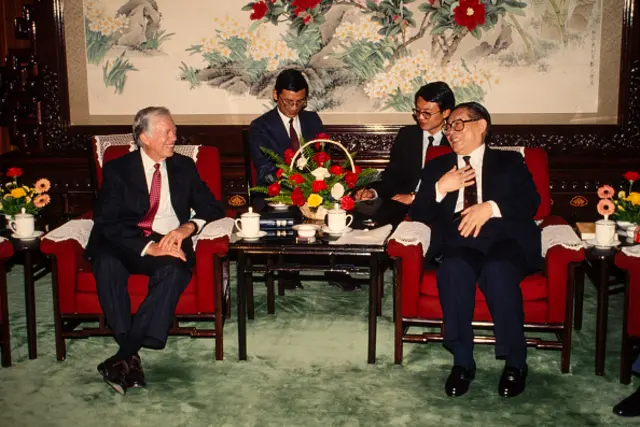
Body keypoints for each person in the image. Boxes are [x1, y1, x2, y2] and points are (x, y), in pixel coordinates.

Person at [85, 106, 225, 395]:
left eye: (174, 130)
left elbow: (212, 206)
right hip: (122, 240)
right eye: (167, 132)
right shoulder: (118, 169)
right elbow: (107, 222)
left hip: (169, 237)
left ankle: (122, 357)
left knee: (175, 269)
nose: (175, 137)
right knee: (107, 264)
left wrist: (187, 228)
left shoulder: (183, 166)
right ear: (144, 137)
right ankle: (130, 359)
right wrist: (148, 248)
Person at [409, 102, 542, 398]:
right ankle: (462, 361)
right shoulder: (438, 166)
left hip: (505, 238)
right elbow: (418, 212)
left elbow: (532, 202)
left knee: (499, 270)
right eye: (448, 127)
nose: (451, 133)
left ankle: (515, 362)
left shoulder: (510, 162)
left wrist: (491, 208)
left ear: (481, 125)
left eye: (458, 124)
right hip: (459, 240)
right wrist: (441, 188)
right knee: (453, 269)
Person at [355, 82, 453, 227]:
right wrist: (373, 192)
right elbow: (392, 175)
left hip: (438, 208)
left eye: (427, 113)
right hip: (400, 206)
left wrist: (416, 197)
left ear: (445, 112)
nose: (420, 117)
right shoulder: (407, 135)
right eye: (417, 111)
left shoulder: (455, 139)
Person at [249, 68, 325, 189]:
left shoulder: (313, 120)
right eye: (288, 101)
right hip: (276, 196)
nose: (294, 107)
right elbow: (266, 172)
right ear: (275, 94)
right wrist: (298, 187)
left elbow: (324, 159)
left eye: (300, 101)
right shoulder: (259, 127)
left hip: (314, 194)